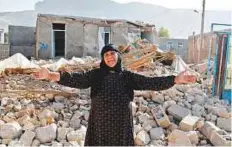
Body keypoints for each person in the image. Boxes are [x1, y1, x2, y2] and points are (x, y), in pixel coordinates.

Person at [33, 44, 196, 146]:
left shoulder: (127, 76)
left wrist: (175, 79)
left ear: (118, 56)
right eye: (106, 55)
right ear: (103, 59)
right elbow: (76, 80)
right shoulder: (96, 74)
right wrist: (50, 75)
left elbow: (151, 82)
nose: (110, 57)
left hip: (121, 126)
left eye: (112, 54)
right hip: (100, 125)